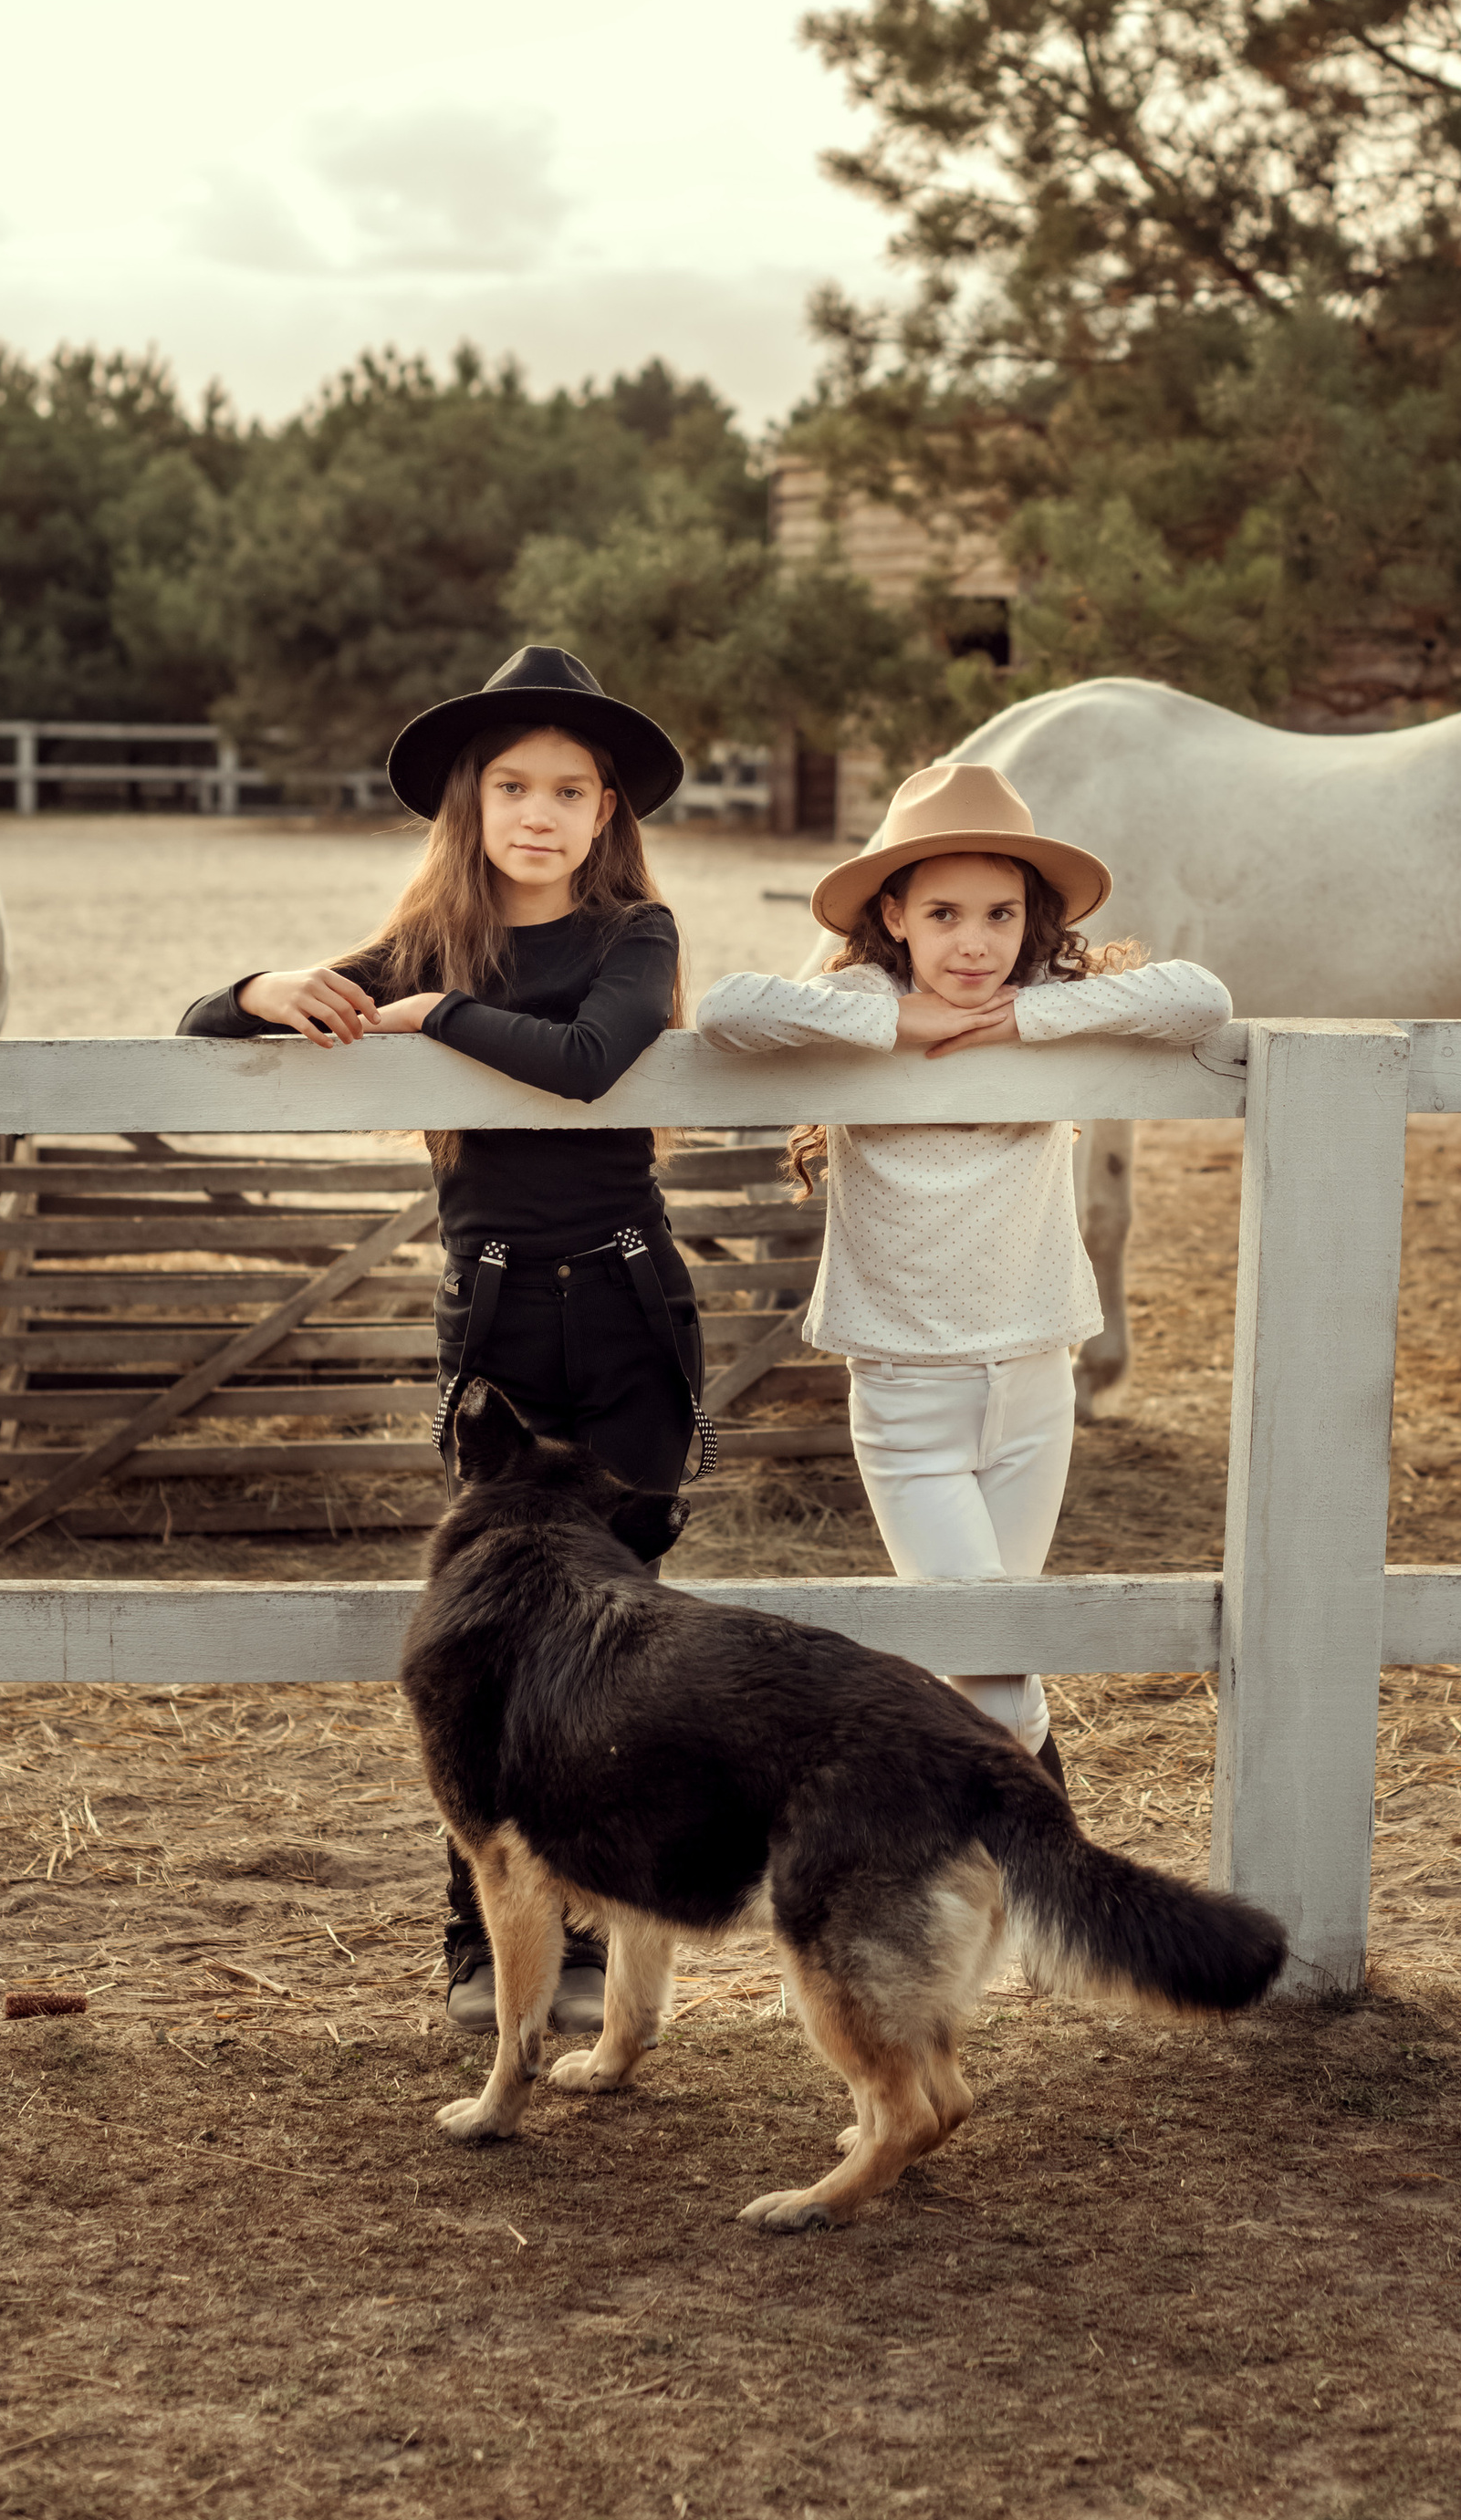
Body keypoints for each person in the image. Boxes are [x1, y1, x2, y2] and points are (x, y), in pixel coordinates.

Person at [176, 644, 704, 2037]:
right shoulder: (423, 944)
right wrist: (262, 986)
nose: (539, 812)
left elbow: (594, 1061)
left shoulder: (632, 935)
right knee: (492, 1631)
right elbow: (195, 1025)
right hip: (497, 1317)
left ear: (608, 814)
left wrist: (439, 1022)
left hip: (630, 1316)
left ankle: (589, 1941)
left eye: (570, 789)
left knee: (620, 1632)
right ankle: (482, 1943)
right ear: (469, 803)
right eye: (511, 785)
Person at [694, 761, 1231, 1779]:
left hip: (1036, 1375)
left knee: (989, 1652)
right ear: (892, 915)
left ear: (1031, 919)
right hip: (908, 1390)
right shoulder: (857, 1001)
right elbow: (728, 1010)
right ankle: (1058, 1860)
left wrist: (1024, 1019)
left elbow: (1199, 1001)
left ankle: (995, 1888)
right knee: (989, 1666)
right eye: (942, 913)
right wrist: (902, 1023)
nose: (974, 942)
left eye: (1000, 913)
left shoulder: (1053, 1002)